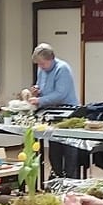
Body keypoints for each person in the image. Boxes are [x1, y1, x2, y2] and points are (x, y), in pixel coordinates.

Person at [29, 43, 80, 177]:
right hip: (51, 113)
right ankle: (56, 179)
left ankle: (70, 182)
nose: (40, 67)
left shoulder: (62, 69)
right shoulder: (42, 70)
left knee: (69, 154)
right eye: (38, 64)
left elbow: (60, 94)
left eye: (42, 63)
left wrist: (39, 100)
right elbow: (42, 88)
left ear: (51, 59)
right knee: (54, 152)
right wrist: (36, 91)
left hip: (68, 113)